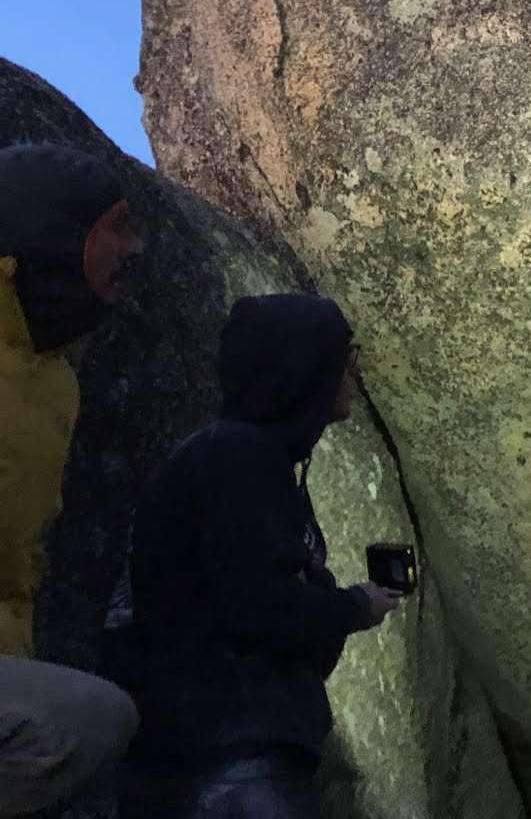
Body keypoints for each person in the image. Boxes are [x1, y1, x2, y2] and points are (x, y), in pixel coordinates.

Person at [109, 293, 403, 817]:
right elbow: (257, 605)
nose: (355, 369)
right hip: (227, 753)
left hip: (229, 747)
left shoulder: (245, 458)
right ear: (303, 366)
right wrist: (354, 607)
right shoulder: (239, 458)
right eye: (345, 353)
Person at [0, 142, 145, 818]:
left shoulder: (54, 379)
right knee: (87, 719)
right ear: (56, 232)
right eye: (117, 226)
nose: (136, 248)